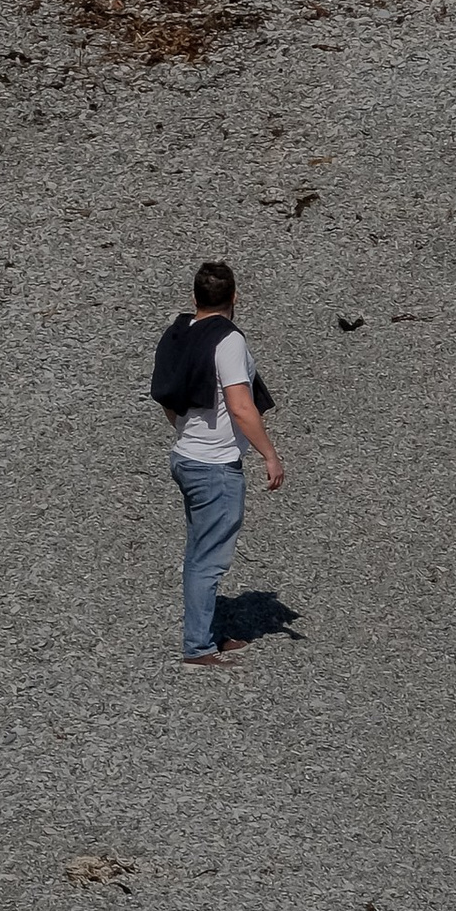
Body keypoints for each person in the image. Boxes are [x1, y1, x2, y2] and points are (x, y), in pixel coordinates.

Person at [165, 259, 282, 668]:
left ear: (195, 297)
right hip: (214, 467)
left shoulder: (181, 331)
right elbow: (240, 404)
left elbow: (167, 394)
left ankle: (208, 631)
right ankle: (198, 646)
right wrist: (270, 454)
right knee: (207, 558)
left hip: (187, 457)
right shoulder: (228, 341)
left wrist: (184, 432)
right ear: (235, 297)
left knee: (202, 549)